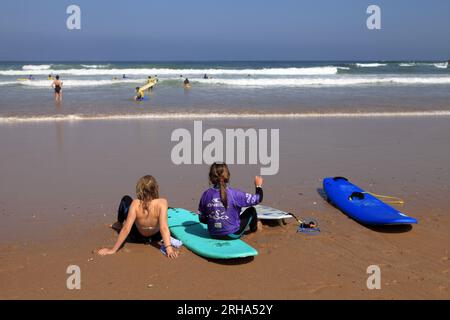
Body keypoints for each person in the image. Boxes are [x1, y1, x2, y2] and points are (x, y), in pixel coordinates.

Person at [98, 175, 179, 258]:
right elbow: (164, 228)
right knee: (163, 217)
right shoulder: (162, 203)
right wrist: (169, 249)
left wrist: (112, 250)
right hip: (156, 237)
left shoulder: (135, 203)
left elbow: (126, 229)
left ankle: (118, 223)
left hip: (137, 237)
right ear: (156, 189)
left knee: (126, 199)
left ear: (139, 190)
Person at [197, 162, 263, 239]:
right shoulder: (235, 194)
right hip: (232, 234)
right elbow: (258, 198)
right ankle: (254, 231)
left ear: (210, 178)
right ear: (228, 176)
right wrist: (258, 185)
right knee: (252, 210)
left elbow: (202, 219)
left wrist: (215, 219)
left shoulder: (205, 194)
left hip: (213, 233)